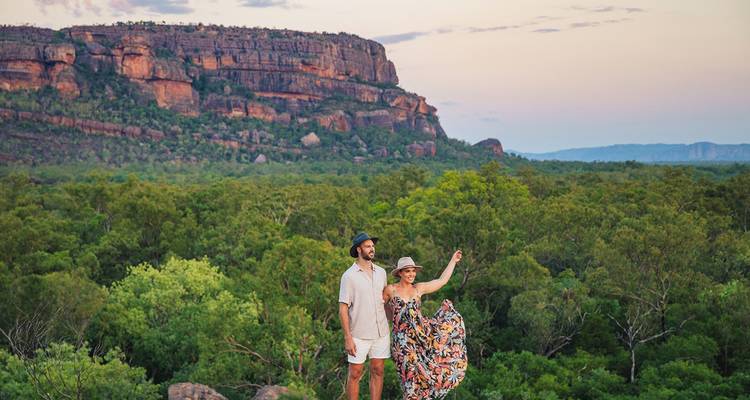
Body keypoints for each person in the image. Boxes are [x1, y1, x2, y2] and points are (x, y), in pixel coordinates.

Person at [383, 251, 467, 400]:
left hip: (421, 339)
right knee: (409, 380)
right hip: (402, 343)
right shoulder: (391, 289)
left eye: (413, 271)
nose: (411, 274)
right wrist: (395, 323)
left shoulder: (418, 288)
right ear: (400, 273)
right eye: (408, 271)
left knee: (424, 379)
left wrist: (453, 261)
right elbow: (380, 308)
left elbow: (442, 281)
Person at [338, 232, 390, 400]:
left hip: (381, 332)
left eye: (373, 246)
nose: (372, 249)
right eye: (368, 246)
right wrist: (348, 337)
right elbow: (343, 308)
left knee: (378, 370)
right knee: (355, 373)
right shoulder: (349, 276)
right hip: (358, 334)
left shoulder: (382, 272)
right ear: (359, 250)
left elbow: (386, 301)